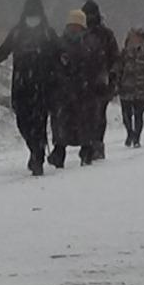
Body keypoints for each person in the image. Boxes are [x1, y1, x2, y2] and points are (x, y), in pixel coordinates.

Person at [0, 0, 59, 176]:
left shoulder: (48, 33)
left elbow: (60, 55)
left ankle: (37, 156)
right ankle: (34, 149)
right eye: (30, 14)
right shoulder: (17, 33)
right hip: (21, 87)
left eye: (35, 14)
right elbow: (2, 53)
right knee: (22, 122)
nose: (32, 18)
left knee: (39, 123)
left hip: (43, 86)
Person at [48, 9, 101, 168]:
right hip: (63, 91)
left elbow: (96, 65)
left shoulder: (90, 43)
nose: (74, 28)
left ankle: (87, 151)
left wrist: (97, 83)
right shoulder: (59, 43)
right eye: (72, 25)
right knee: (61, 124)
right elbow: (53, 64)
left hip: (85, 91)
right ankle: (59, 153)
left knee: (85, 123)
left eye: (77, 25)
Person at [80, 0, 121, 160]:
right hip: (84, 80)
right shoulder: (80, 33)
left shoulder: (106, 34)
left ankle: (96, 143)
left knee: (98, 113)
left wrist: (112, 74)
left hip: (100, 81)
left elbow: (115, 57)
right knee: (88, 113)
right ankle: (90, 143)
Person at [116, 28, 144, 148]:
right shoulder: (124, 54)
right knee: (126, 116)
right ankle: (130, 133)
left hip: (142, 90)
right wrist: (115, 84)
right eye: (132, 38)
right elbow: (117, 71)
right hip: (125, 90)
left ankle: (136, 138)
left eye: (137, 38)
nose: (135, 41)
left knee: (138, 115)